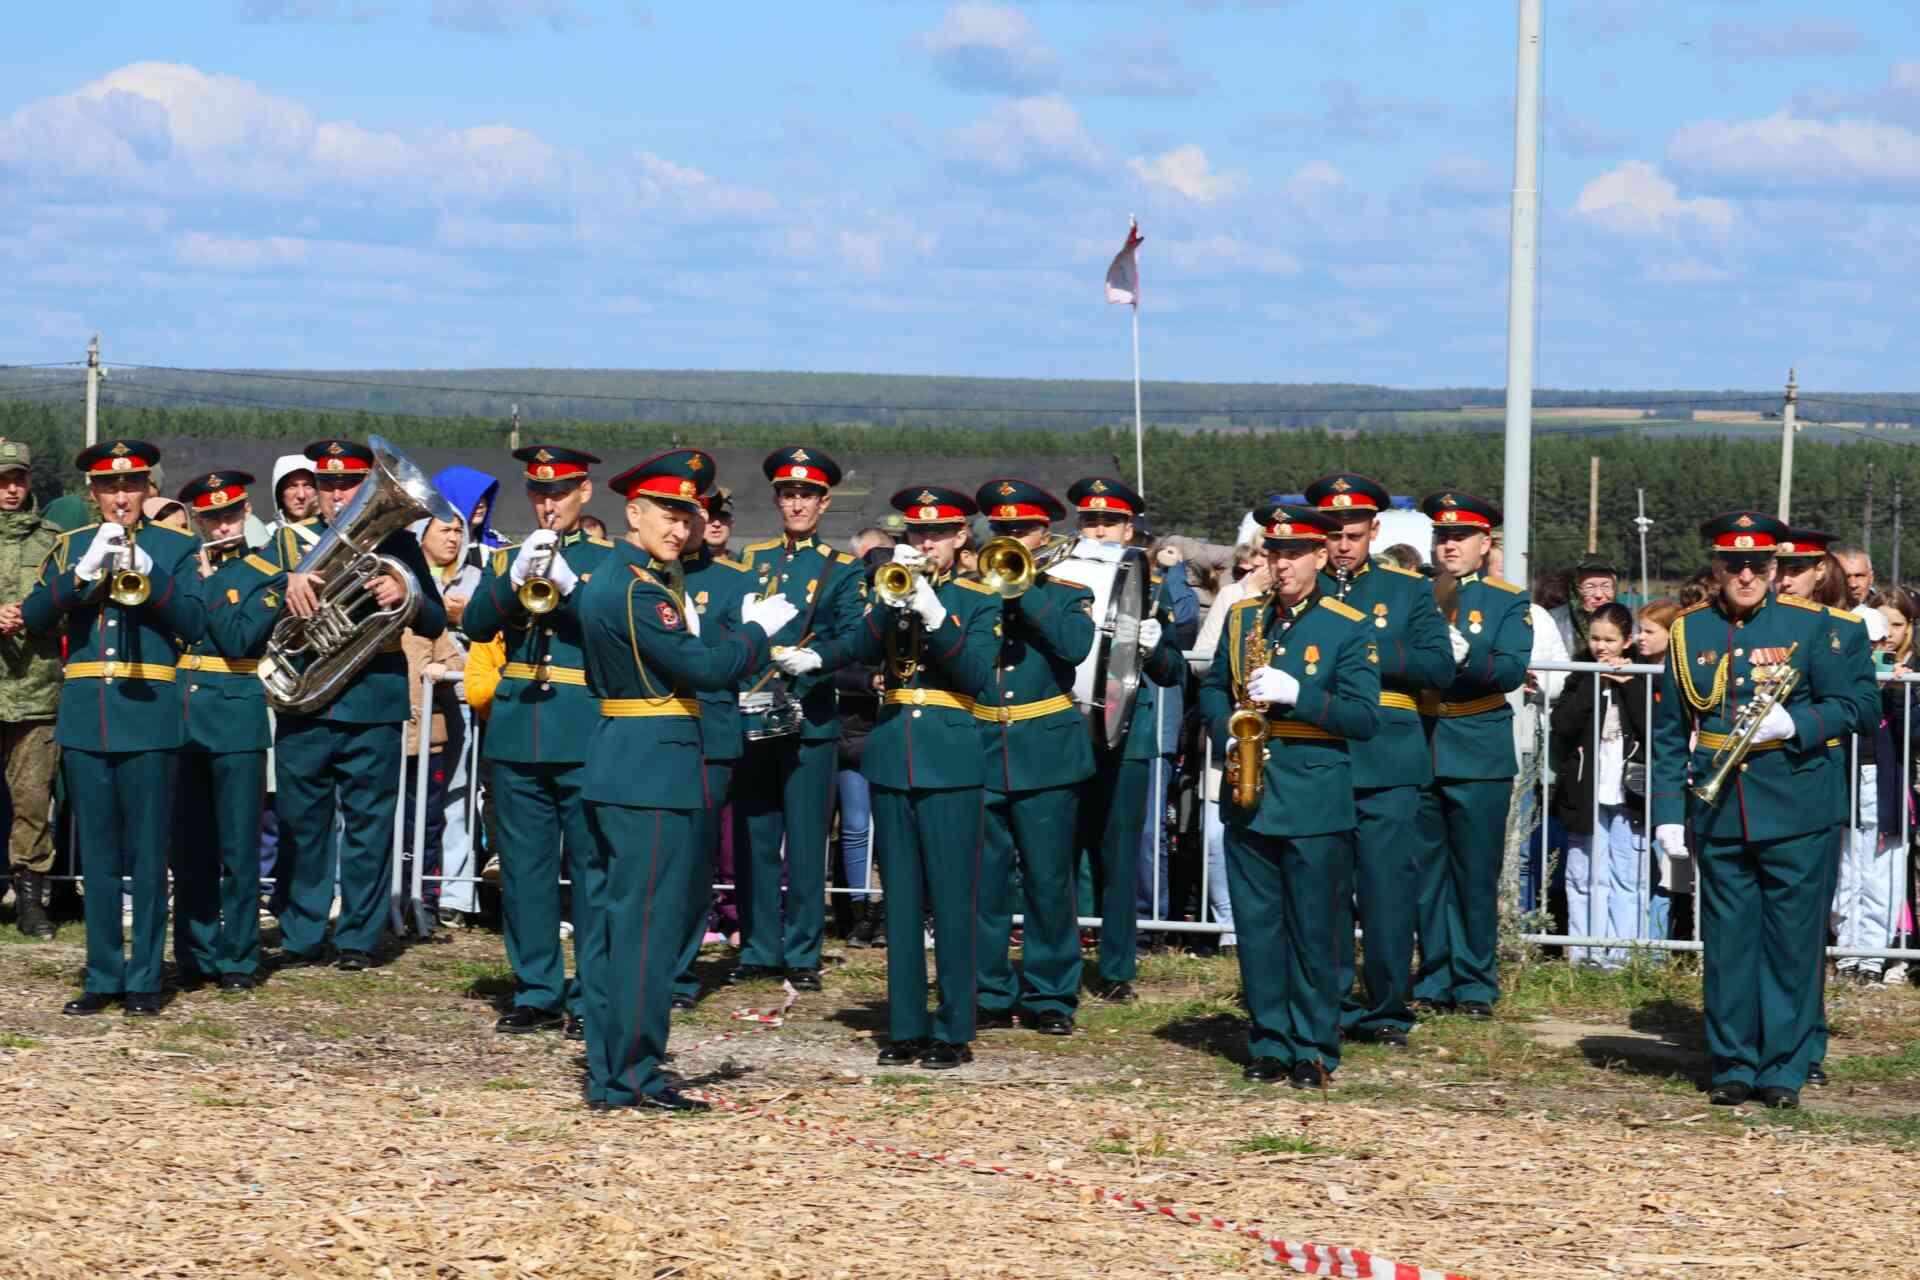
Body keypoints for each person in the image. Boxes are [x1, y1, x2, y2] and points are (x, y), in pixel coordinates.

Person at [574, 449, 795, 1112]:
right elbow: (705, 668)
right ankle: (633, 1075)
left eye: (687, 515)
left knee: (617, 925)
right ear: (633, 513)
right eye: (667, 513)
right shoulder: (642, 591)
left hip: (625, 758)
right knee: (649, 927)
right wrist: (759, 632)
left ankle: (612, 1067)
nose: (679, 527)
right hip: (656, 769)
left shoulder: (618, 579)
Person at [1649, 511, 1878, 1110]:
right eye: (1733, 564)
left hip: (1798, 807)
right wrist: (1668, 812)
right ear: (1718, 568)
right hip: (1720, 810)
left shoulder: (1819, 628)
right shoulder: (1688, 632)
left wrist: (1796, 723)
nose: (1745, 574)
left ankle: (1784, 1065)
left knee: (1791, 944)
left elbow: (1859, 706)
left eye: (1758, 564)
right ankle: (1732, 1061)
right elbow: (1672, 732)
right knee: (1728, 943)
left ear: (1775, 567)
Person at [784, 485, 1000, 1069]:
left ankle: (954, 1029)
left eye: (937, 533)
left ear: (960, 538)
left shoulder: (979, 599)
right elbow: (859, 640)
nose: (925, 542)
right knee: (900, 899)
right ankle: (905, 1026)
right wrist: (819, 658)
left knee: (953, 900)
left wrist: (936, 615)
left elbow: (979, 674)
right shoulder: (892, 591)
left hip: (950, 756)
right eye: (917, 533)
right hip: (895, 752)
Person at [1199, 505, 1379, 1087]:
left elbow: (1363, 717)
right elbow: (1209, 688)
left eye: (1295, 553)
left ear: (1321, 556)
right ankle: (1270, 1040)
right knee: (1258, 926)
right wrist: (1224, 722)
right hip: (1250, 792)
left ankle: (1314, 1045)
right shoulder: (1242, 617)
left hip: (1313, 796)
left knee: (1316, 929)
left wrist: (1299, 693)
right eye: (1274, 553)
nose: (1282, 565)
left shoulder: (1347, 625)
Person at [24, 439, 206, 1015]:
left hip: (149, 711)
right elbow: (32, 617)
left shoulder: (174, 546)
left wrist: (149, 576)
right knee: (97, 858)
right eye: (109, 487)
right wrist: (80, 575)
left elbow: (197, 623)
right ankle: (102, 975)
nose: (120, 496)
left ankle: (146, 978)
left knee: (149, 856)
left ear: (148, 490)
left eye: (131, 487)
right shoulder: (69, 546)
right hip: (85, 713)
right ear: (94, 494)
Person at [270, 439, 447, 972]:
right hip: (305, 702)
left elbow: (436, 620)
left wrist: (406, 591)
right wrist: (286, 584)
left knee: (370, 825)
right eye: (327, 486)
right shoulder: (283, 545)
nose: (337, 495)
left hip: (372, 699)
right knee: (303, 823)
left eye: (348, 484)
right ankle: (301, 931)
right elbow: (257, 618)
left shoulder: (398, 543)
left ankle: (357, 938)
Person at [462, 446, 613, 1036]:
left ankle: (593, 992)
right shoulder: (509, 559)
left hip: (582, 726)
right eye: (540, 493)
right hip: (519, 726)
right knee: (524, 871)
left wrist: (571, 589)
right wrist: (515, 577)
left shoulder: (609, 559)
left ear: (584, 494)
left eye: (561, 492)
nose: (549, 503)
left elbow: (611, 633)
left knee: (592, 869)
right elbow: (476, 624)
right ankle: (536, 988)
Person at [1302, 473, 1454, 1049]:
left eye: (1354, 534)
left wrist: (1363, 650)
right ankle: (1334, 998)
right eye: (1333, 535)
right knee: (1327, 886)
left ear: (1375, 531)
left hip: (1387, 757)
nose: (1342, 545)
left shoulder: (1407, 591)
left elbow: (1439, 668)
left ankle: (1388, 1004)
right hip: (1318, 751)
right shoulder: (1295, 595)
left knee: (1388, 889)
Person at [726, 447, 866, 992]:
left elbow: (855, 634)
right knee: (755, 833)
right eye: (788, 494)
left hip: (810, 714)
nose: (797, 503)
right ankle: (759, 946)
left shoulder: (841, 568)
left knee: (807, 840)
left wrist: (820, 658)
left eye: (807, 494)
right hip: (758, 710)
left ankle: (804, 951)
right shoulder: (751, 559)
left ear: (824, 502)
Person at [969, 480, 1096, 1037]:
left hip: (1045, 751)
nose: (1012, 538)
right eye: (1001, 531)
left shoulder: (1067, 592)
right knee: (985, 882)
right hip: (980, 748)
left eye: (1022, 530)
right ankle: (990, 989)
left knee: (1048, 882)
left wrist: (1024, 590)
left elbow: (1074, 647)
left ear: (1047, 533)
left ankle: (1051, 994)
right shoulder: (970, 592)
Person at [1065, 477, 1187, 1002]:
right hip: (1066, 734)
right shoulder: (1059, 576)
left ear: (1131, 527)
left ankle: (1116, 969)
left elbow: (1173, 672)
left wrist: (1158, 647)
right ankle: (1059, 966)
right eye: (1090, 522)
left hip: (1126, 737)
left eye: (1109, 522)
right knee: (1060, 857)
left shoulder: (1151, 585)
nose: (1099, 530)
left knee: (1119, 860)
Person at [1412, 490, 1530, 1018]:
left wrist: (1467, 658)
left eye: (1461, 537)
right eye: (1442, 536)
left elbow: (1508, 671)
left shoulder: (1507, 601)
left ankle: (1476, 982)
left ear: (1486, 543)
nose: (1449, 545)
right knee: (1425, 873)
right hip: (1420, 742)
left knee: (1475, 874)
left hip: (1477, 745)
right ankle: (1435, 975)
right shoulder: (1412, 594)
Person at [171, 470, 283, 992]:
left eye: (229, 515)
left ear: (245, 513)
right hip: (182, 717)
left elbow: (240, 639)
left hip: (236, 716)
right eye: (210, 517)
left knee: (238, 849)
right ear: (197, 519)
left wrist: (211, 578)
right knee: (190, 847)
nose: (220, 525)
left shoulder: (268, 573)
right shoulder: (181, 570)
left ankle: (238, 958)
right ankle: (194, 954)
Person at [672, 492, 756, 1011]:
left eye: (696, 517)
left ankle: (679, 971)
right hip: (647, 731)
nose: (686, 527)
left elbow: (737, 662)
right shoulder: (641, 577)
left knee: (694, 860)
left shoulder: (732, 582)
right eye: (679, 516)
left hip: (707, 733)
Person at [1549, 602, 1652, 967]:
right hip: (1586, 790)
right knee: (1584, 874)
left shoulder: (1642, 674)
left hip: (1629, 793)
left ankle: (1622, 956)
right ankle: (1584, 953)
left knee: (1627, 874)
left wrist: (1628, 685)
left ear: (1627, 641)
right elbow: (1562, 725)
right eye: (1595, 638)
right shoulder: (1580, 674)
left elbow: (1653, 727)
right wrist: (1595, 681)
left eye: (1610, 639)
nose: (1601, 647)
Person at [1832, 585, 1919, 986]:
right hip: (1846, 784)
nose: (1869, 651)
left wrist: (1897, 695)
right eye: (1860, 644)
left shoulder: (1902, 684)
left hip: (1884, 786)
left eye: (1875, 642)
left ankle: (1874, 955)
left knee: (1881, 872)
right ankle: (1849, 951)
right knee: (1847, 872)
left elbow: (1910, 735)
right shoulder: (1836, 682)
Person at [0, 439, 63, 940]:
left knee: (32, 801)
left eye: (17, 479)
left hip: (38, 691)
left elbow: (72, 601)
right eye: (1, 480)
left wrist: (37, 614)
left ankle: (30, 901)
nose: (10, 489)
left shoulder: (54, 541)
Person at [263, 454, 325, 568]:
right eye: (292, 486)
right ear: (280, 493)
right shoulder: (266, 535)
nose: (301, 495)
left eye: (308, 486)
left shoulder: (331, 531)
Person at [1550, 560, 1617, 660]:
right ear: (1576, 590)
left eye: (1606, 586)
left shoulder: (1624, 621)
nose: (1598, 595)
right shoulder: (1555, 620)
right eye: (1589, 587)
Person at [702, 487, 734, 556]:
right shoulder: (677, 564)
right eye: (709, 516)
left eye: (723, 516)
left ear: (732, 522)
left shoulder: (743, 565)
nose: (717, 524)